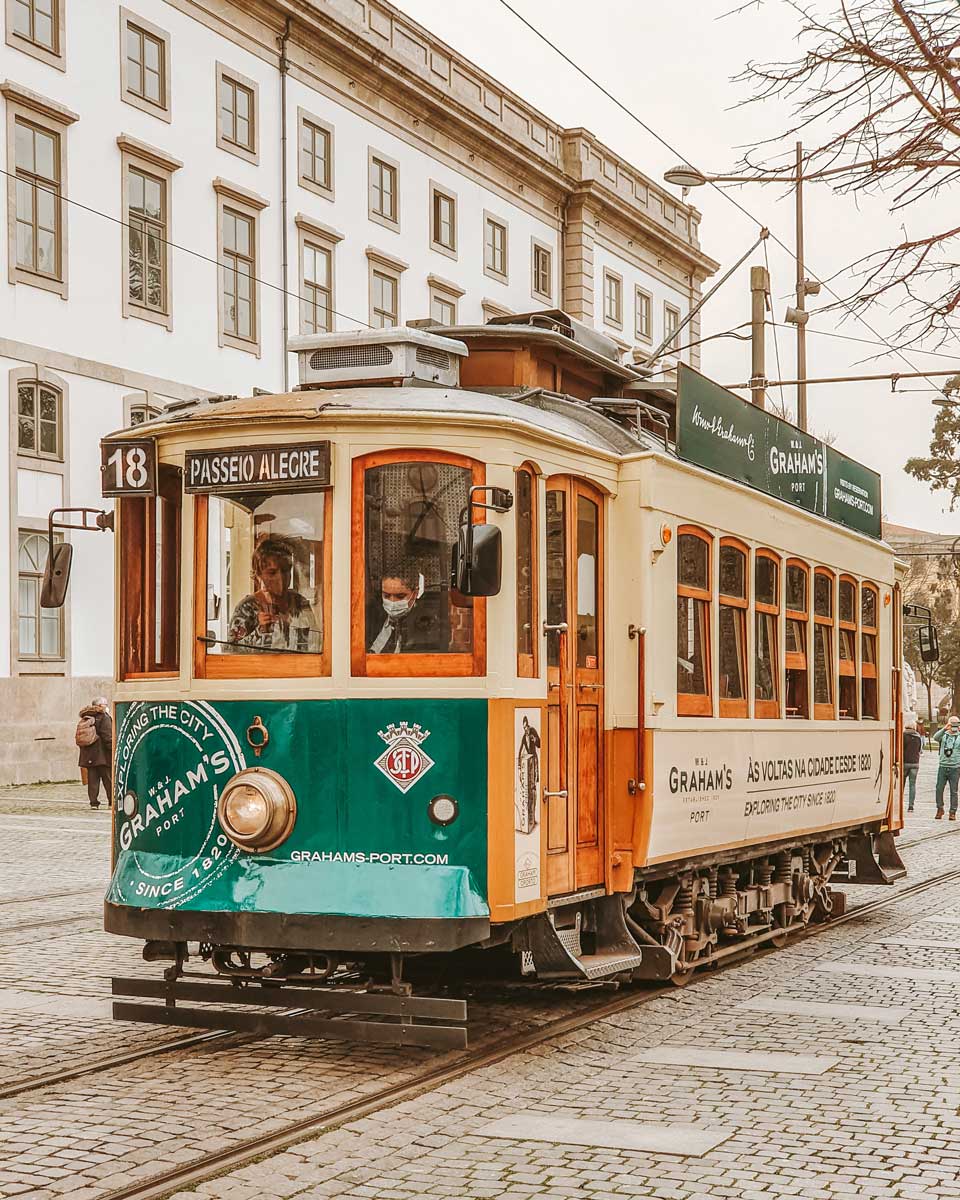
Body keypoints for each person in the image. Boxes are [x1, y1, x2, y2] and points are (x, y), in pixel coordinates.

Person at [227, 537, 320, 653]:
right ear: (258, 575)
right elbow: (230, 651)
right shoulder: (247, 608)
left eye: (285, 570)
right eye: (272, 573)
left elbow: (317, 642)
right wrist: (259, 632)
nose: (280, 578)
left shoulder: (299, 603)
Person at [367, 569, 446, 654]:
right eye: (386, 595)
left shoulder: (426, 621)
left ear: (415, 594)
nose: (392, 602)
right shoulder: (372, 617)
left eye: (400, 596)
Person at [77, 697, 113, 810]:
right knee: (108, 779)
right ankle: (111, 802)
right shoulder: (104, 717)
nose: (107, 706)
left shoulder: (86, 716)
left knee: (93, 780)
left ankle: (94, 803)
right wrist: (113, 749)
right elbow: (107, 736)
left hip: (88, 755)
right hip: (102, 755)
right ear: (100, 705)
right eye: (105, 704)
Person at [933, 714, 960, 820]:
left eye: (955, 724)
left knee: (954, 791)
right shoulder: (944, 735)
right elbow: (935, 737)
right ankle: (940, 808)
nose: (953, 726)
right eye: (951, 723)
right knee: (939, 789)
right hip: (943, 766)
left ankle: (952, 811)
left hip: (955, 767)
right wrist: (945, 728)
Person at [902, 713, 922, 813]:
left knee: (901, 784)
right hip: (915, 763)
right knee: (912, 785)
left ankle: (899, 803)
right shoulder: (918, 737)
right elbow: (920, 750)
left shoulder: (903, 736)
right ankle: (911, 806)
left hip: (905, 762)